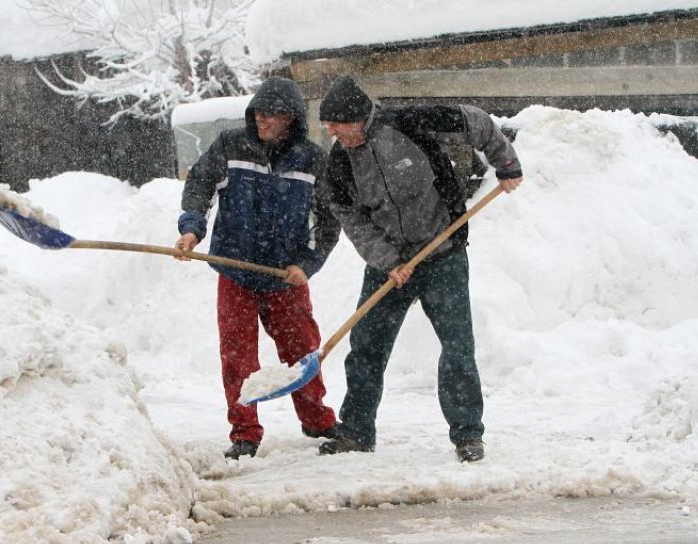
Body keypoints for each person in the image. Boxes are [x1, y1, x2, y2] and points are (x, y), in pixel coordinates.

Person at [317, 76, 523, 462]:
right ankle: (357, 431)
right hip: (390, 263)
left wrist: (506, 163)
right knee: (366, 347)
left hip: (443, 253)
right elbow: (351, 217)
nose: (331, 131)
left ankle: (467, 435)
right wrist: (388, 261)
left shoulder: (410, 122)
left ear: (359, 117)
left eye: (336, 123)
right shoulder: (341, 160)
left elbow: (475, 120)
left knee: (457, 347)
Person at [175, 77, 341, 460]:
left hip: (285, 276)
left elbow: (329, 219)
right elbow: (199, 186)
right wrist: (191, 230)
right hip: (236, 271)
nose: (262, 120)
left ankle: (317, 419)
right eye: (259, 113)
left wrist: (308, 264)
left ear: (291, 119)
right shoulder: (231, 145)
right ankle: (245, 432)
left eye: (272, 114)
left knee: (302, 350)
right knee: (237, 356)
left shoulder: (312, 159)